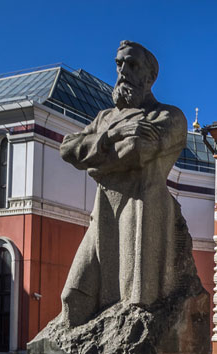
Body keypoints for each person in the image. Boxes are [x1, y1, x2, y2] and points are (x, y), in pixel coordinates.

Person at [58, 40, 192, 327]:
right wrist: (111, 135)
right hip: (103, 212)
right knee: (73, 296)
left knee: (131, 305)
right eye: (119, 64)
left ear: (150, 76)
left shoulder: (169, 116)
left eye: (132, 64)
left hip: (140, 209)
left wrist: (95, 161)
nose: (122, 71)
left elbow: (137, 151)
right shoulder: (105, 118)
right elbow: (67, 148)